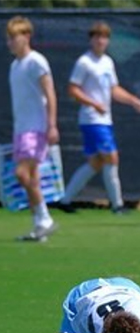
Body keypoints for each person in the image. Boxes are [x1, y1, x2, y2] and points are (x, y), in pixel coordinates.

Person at [56, 21, 140, 214]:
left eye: (104, 37)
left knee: (96, 163)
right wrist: (94, 104)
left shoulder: (108, 62)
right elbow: (73, 89)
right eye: (97, 37)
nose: (101, 41)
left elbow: (114, 89)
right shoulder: (84, 62)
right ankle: (117, 205)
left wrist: (133, 100)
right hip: (92, 120)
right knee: (112, 158)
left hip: (105, 120)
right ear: (91, 40)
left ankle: (65, 201)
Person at [6, 16, 59, 242]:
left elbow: (49, 93)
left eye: (13, 37)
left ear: (26, 36)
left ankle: (45, 219)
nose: (9, 42)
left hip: (36, 129)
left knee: (21, 173)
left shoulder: (37, 61)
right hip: (21, 130)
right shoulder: (14, 66)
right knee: (33, 179)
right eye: (7, 38)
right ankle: (40, 225)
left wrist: (52, 125)